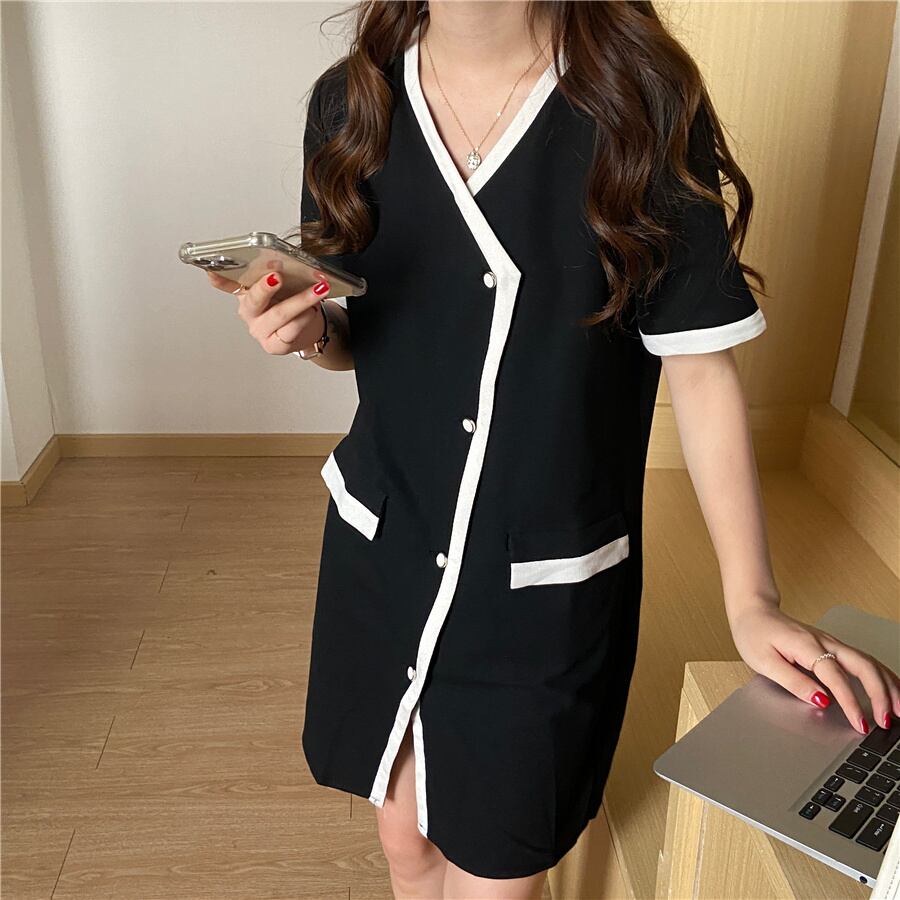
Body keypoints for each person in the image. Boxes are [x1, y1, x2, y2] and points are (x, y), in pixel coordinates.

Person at [207, 2, 900, 898]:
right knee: (403, 836)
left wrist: (752, 602)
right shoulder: (351, 103)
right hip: (386, 539)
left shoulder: (639, 102)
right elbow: (365, 337)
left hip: (538, 583)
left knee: (496, 861)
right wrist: (306, 333)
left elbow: (700, 370)